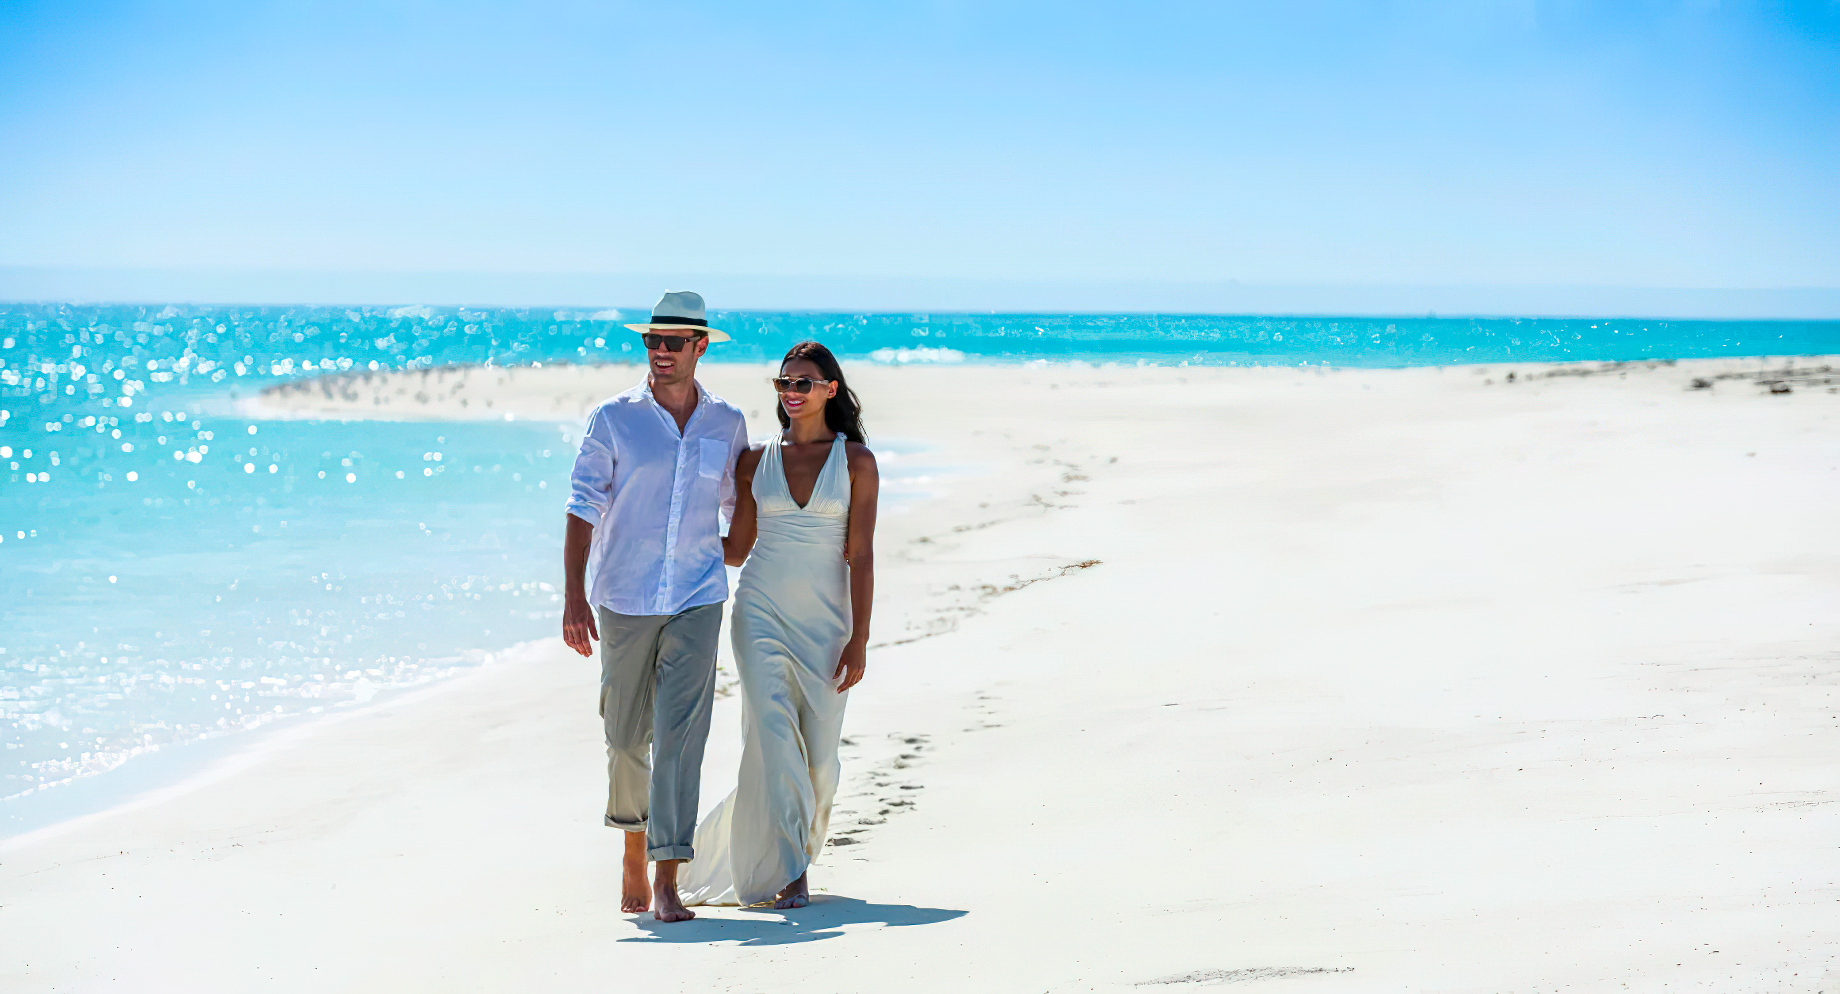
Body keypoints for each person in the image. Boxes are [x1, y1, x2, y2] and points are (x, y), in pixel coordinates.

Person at [561, 290, 749, 923]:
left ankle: (668, 873)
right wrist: (572, 599)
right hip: (624, 597)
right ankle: (633, 845)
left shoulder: (726, 422)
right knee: (623, 738)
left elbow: (735, 506)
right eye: (652, 341)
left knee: (681, 738)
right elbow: (582, 506)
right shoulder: (613, 420)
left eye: (673, 342)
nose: (660, 352)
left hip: (698, 595)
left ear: (700, 346)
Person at [678, 340, 879, 910]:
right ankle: (790, 871)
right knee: (770, 739)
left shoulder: (856, 462)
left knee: (817, 756)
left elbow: (860, 556)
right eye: (784, 383)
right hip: (759, 613)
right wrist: (662, 541)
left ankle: (776, 849)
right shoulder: (755, 461)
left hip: (827, 624)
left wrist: (859, 638)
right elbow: (738, 549)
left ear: (830, 390)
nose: (791, 392)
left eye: (804, 383)